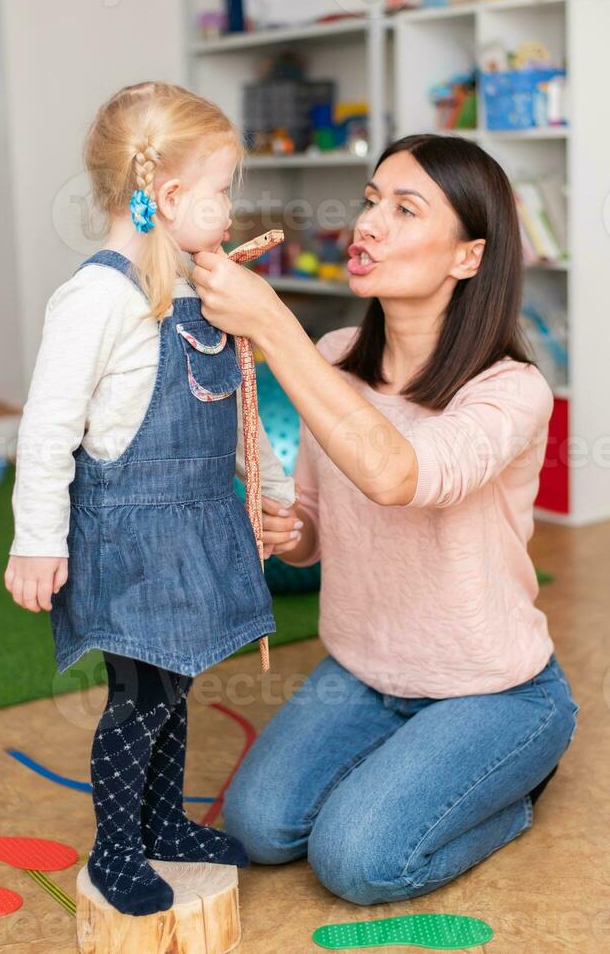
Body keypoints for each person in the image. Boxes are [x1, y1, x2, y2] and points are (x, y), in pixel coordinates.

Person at [191, 134, 580, 905]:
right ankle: (421, 762)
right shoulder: (335, 356)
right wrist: (286, 532)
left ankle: (514, 787)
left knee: (357, 861)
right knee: (258, 830)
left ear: (467, 258)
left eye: (405, 210)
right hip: (364, 673)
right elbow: (313, 529)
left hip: (491, 689)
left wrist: (274, 327)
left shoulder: (510, 391)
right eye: (372, 200)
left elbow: (399, 475)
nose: (367, 224)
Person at [3, 82, 296, 917]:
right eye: (222, 191)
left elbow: (243, 407)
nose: (233, 210)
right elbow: (47, 429)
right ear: (166, 197)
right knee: (141, 696)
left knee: (175, 686)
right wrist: (37, 540)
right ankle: (117, 847)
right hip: (131, 538)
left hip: (197, 525)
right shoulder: (98, 298)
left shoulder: (203, 290)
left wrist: (270, 492)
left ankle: (163, 821)